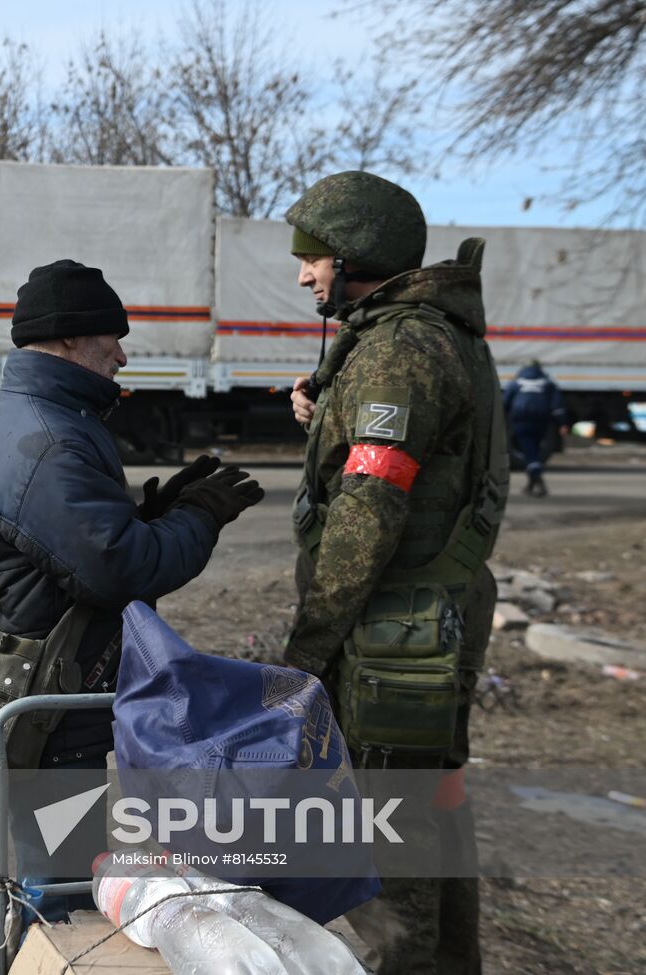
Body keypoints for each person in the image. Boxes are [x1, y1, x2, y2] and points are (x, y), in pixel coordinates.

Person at [0, 259, 264, 912]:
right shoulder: (50, 441)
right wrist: (198, 516)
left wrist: (154, 513)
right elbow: (120, 568)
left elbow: (73, 548)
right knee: (61, 892)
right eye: (112, 337)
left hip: (56, 696)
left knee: (59, 876)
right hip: (51, 713)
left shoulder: (46, 413)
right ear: (70, 339)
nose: (123, 354)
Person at [283, 172, 508, 974]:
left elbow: (369, 507)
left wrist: (306, 650)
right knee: (432, 811)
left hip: (394, 636)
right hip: (424, 620)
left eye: (312, 256)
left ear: (353, 255)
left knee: (385, 848)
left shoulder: (399, 348)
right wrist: (327, 403)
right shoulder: (415, 336)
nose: (303, 273)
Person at [503, 360, 568, 497]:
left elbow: (505, 402)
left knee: (529, 451)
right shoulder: (547, 384)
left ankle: (538, 482)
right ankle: (532, 484)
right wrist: (562, 423)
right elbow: (557, 406)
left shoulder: (517, 383)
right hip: (541, 421)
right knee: (535, 450)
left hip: (521, 420)